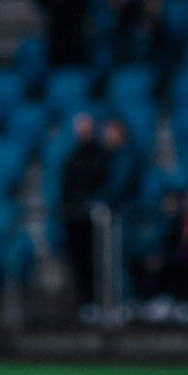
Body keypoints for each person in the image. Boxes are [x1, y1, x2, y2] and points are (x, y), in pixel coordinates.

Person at [60, 110, 110, 311]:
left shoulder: (101, 156)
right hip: (75, 219)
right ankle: (86, 301)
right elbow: (67, 188)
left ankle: (102, 300)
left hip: (95, 219)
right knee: (80, 262)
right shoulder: (72, 158)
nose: (84, 133)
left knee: (98, 260)